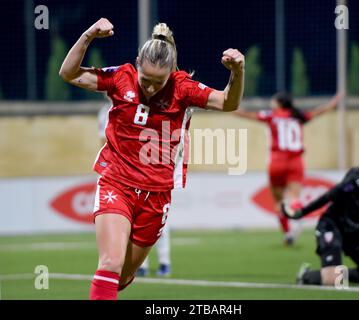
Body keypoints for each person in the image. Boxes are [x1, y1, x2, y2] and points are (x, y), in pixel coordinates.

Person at [59, 18, 244, 300]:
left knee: (122, 277)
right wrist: (88, 35)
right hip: (116, 182)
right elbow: (69, 74)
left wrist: (238, 72)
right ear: (136, 64)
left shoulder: (183, 88)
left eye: (159, 82)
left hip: (157, 194)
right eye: (146, 80)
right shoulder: (120, 77)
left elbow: (228, 102)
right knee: (110, 264)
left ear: (172, 72)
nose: (151, 88)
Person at [234, 92, 341, 245]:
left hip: (277, 162)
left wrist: (227, 107)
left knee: (279, 202)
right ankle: (296, 220)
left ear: (279, 103)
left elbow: (246, 114)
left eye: (274, 100)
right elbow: (317, 112)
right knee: (295, 197)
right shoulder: (298, 116)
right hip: (295, 162)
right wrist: (333, 103)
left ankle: (288, 233)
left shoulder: (272, 116)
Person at [282, 139, 359, 286]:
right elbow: (333, 194)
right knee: (333, 280)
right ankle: (306, 275)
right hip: (333, 226)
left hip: (358, 232)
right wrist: (302, 212)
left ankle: (341, 273)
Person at [98, 105, 172, 277]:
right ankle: (141, 266)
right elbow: (104, 139)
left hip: (155, 175)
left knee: (159, 224)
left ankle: (164, 261)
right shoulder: (107, 112)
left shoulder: (162, 106)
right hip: (125, 174)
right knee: (129, 223)